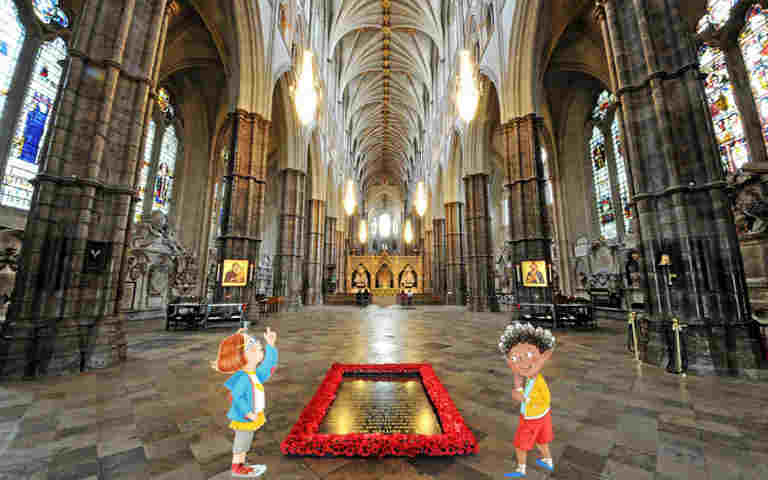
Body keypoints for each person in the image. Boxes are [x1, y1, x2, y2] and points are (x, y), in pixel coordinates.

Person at [212, 327, 278, 477]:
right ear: (240, 357)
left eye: (256, 344)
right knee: (242, 442)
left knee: (246, 441)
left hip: (251, 416)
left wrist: (271, 345)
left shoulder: (253, 373)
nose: (257, 346)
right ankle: (237, 467)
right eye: (252, 346)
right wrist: (248, 413)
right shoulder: (243, 378)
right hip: (245, 417)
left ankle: (241, 464)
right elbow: (236, 397)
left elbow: (268, 366)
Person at [498, 322, 556, 477]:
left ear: (543, 356)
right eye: (515, 358)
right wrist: (518, 389)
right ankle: (548, 460)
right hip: (543, 416)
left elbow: (546, 398)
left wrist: (525, 398)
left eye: (529, 355)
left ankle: (521, 469)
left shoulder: (537, 381)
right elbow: (517, 374)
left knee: (520, 445)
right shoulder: (532, 376)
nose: (523, 362)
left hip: (532, 417)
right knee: (541, 440)